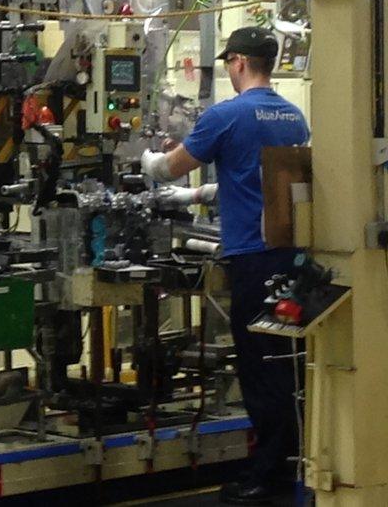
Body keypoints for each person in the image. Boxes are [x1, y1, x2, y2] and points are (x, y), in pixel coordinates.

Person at [141, 27, 310, 505]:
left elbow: (173, 166)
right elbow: (255, 180)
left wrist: (148, 162)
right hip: (289, 255)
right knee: (286, 364)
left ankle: (267, 479)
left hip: (253, 261)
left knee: (260, 368)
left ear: (237, 62)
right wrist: (194, 196)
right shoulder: (293, 116)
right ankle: (287, 464)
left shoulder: (226, 115)